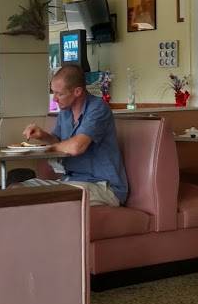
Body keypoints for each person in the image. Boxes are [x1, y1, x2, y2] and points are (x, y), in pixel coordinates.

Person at [18, 65, 128, 207]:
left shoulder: (98, 108)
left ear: (77, 91)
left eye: (59, 94)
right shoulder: (65, 112)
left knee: (46, 199)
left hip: (103, 186)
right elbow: (59, 142)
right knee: (16, 190)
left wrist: (50, 148)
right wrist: (43, 136)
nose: (55, 99)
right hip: (71, 180)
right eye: (53, 93)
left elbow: (76, 147)